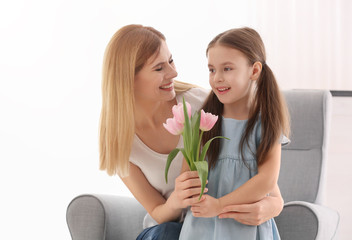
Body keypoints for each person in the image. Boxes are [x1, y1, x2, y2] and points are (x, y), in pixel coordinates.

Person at [99, 24, 286, 240]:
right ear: (128, 79)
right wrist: (177, 199)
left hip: (217, 226)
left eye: (170, 60)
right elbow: (158, 213)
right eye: (159, 68)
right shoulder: (120, 142)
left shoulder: (203, 104)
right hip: (169, 231)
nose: (174, 72)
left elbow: (261, 176)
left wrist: (272, 205)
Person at [179, 27, 290, 240]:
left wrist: (220, 205)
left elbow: (267, 180)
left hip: (245, 231)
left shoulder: (265, 123)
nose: (217, 78)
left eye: (227, 69)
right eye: (212, 70)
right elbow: (188, 175)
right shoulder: (203, 123)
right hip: (200, 229)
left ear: (254, 71)